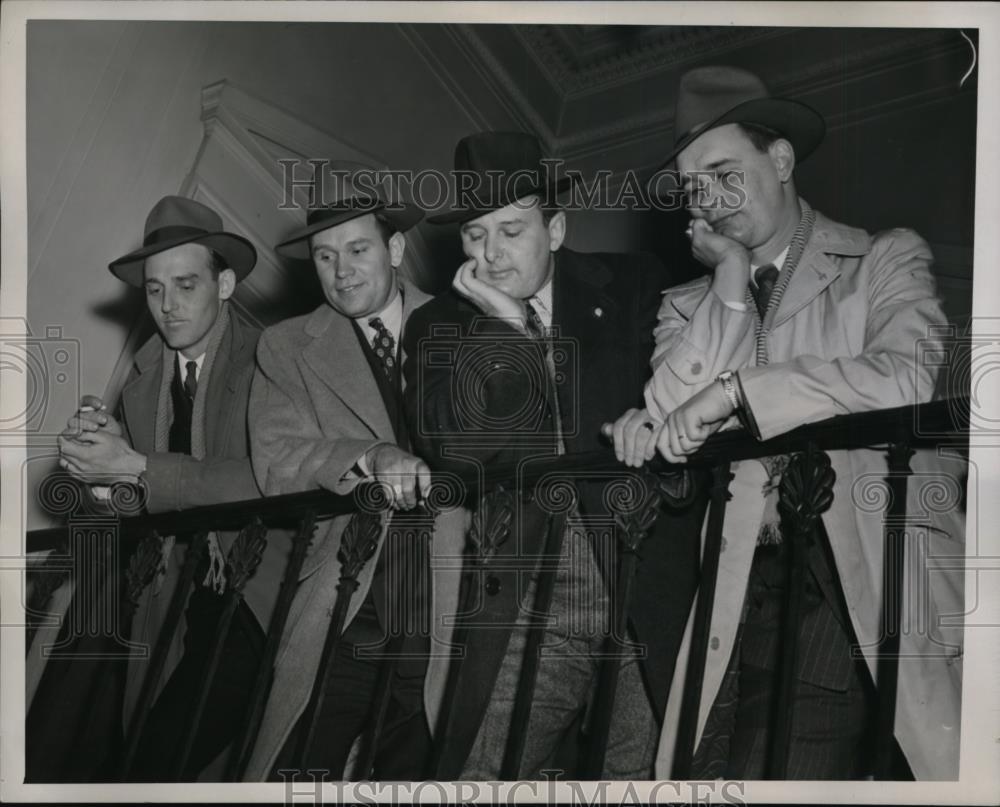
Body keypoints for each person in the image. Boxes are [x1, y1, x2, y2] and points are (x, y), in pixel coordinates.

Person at [611, 66, 964, 780]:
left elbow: (905, 377)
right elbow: (666, 419)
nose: (707, 199)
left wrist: (740, 391)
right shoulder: (690, 302)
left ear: (780, 160)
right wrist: (731, 286)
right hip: (743, 589)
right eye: (693, 186)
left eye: (722, 171)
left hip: (866, 574)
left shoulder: (883, 257)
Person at [402, 131, 705, 780]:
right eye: (475, 236)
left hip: (645, 560)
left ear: (557, 226)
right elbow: (458, 452)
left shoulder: (632, 284)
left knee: (636, 775)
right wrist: (506, 328)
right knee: (485, 773)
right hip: (534, 577)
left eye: (511, 231)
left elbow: (693, 386)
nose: (490, 255)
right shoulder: (437, 326)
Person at [55, 195, 290, 780]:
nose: (167, 306)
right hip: (175, 596)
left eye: (186, 285)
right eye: (155, 290)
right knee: (132, 754)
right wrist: (101, 476)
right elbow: (144, 501)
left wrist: (133, 465)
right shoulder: (146, 375)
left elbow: (267, 479)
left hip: (258, 596)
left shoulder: (272, 359)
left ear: (227, 283)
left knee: (159, 761)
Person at [243, 162, 463, 781]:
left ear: (395, 247)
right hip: (345, 595)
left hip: (449, 591)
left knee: (413, 767)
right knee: (294, 761)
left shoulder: (462, 321)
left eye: (358, 248)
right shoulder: (287, 345)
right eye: (324, 256)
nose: (341, 272)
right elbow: (278, 459)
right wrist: (368, 455)